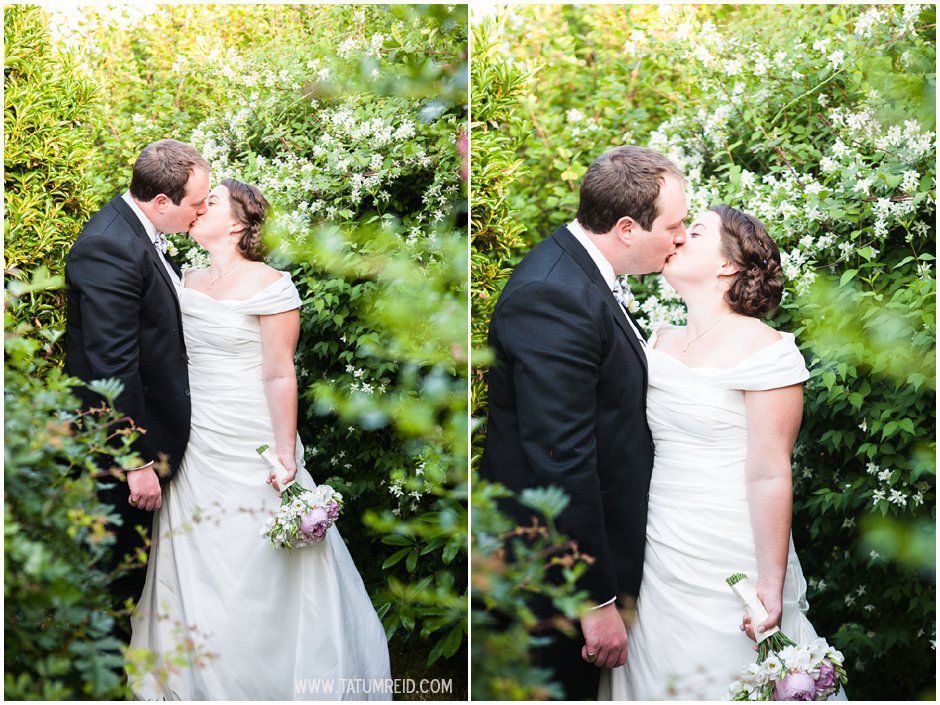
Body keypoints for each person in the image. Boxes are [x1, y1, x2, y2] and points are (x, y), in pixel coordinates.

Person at [128, 178, 391, 699]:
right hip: (193, 437)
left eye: (213, 202)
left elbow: (278, 374)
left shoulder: (271, 284)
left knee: (257, 557)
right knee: (196, 555)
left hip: (249, 434)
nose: (200, 207)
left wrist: (285, 452)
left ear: (241, 222)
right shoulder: (183, 278)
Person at [599, 205, 844, 700]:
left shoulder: (767, 351)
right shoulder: (661, 340)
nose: (677, 239)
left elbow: (770, 473)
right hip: (657, 549)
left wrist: (770, 585)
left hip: (731, 547)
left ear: (728, 265)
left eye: (695, 232)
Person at [479, 146, 688, 700]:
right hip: (553, 578)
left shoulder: (579, 272)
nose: (681, 236)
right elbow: (560, 458)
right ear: (625, 227)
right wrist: (593, 603)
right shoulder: (553, 295)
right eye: (674, 224)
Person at [65, 139, 210, 624]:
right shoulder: (109, 246)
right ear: (162, 202)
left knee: (140, 572)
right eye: (196, 204)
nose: (202, 212)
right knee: (118, 578)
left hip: (155, 432)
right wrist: (135, 461)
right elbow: (112, 364)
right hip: (125, 448)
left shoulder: (139, 230)